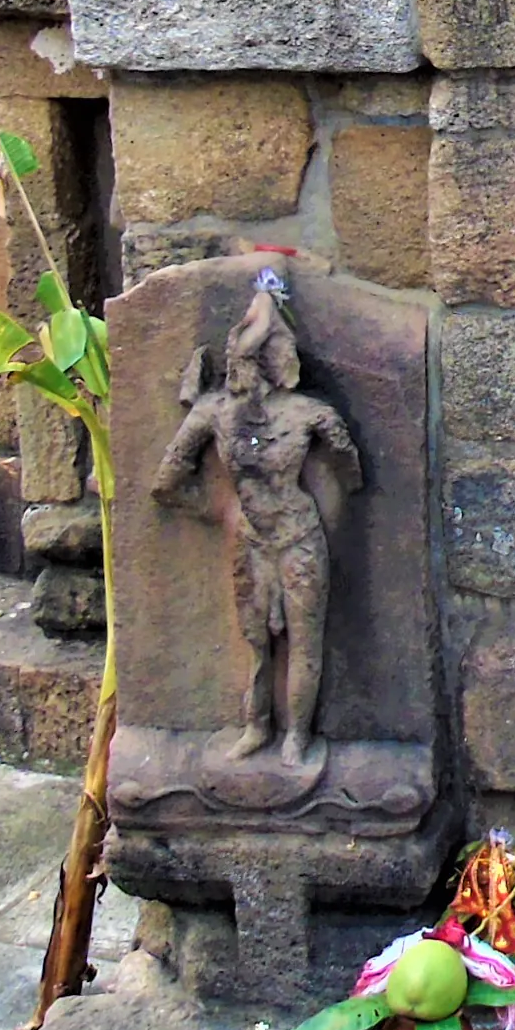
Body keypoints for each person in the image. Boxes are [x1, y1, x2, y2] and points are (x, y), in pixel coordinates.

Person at [153, 270, 363, 763]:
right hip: (253, 538)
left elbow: (352, 472)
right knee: (257, 644)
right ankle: (258, 726)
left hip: (298, 537)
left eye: (254, 355)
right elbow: (165, 483)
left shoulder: (310, 415)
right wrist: (215, 510)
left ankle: (297, 736)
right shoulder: (214, 414)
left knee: (304, 642)